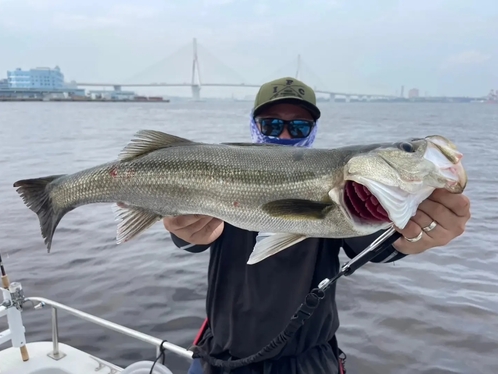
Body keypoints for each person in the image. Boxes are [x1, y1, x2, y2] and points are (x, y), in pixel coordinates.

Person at [163, 77, 471, 374]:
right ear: (253, 125)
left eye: (298, 126)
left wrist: (416, 234)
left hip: (307, 360)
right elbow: (190, 237)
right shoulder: (222, 169)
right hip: (221, 354)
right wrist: (182, 226)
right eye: (271, 124)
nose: (284, 135)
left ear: (312, 130)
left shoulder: (345, 188)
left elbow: (380, 246)